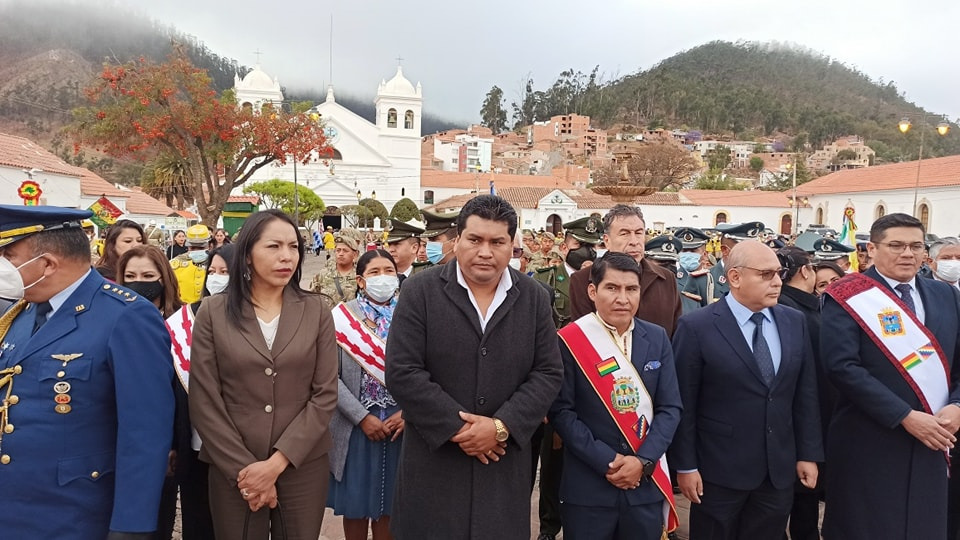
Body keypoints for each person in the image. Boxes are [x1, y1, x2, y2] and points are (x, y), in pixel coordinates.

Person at [385, 195, 563, 539]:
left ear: (513, 245)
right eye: (475, 240)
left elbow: (547, 372)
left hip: (501, 466)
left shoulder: (534, 297)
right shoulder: (420, 292)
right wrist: (461, 429)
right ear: (457, 240)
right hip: (434, 466)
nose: (485, 251)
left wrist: (500, 426)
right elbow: (403, 371)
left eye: (497, 242)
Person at [0, 204, 174, 539]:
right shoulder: (19, 314)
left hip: (75, 515)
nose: (4, 265)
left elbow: (145, 433)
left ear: (47, 263)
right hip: (12, 511)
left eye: (9, 255)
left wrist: (131, 527)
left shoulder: (126, 316)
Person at [189, 209, 338, 539]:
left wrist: (275, 464)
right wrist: (247, 471)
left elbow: (325, 394)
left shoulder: (317, 310)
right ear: (247, 254)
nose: (287, 256)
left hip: (302, 464)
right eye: (273, 246)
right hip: (234, 468)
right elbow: (204, 399)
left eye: (293, 246)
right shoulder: (214, 312)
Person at [820, 213, 960, 540]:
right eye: (896, 245)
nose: (907, 254)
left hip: (936, 438)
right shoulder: (848, 295)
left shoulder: (946, 295)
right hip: (871, 439)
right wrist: (905, 416)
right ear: (872, 248)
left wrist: (957, 404)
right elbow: (842, 367)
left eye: (915, 246)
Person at [671, 241, 823, 540]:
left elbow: (805, 394)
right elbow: (683, 403)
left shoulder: (794, 322)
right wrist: (686, 466)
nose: (777, 282)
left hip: (777, 471)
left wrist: (808, 453)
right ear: (736, 277)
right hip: (718, 472)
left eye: (778, 273)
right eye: (766, 274)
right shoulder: (696, 327)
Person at [550, 252, 682, 540]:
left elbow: (670, 408)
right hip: (589, 487)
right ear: (592, 291)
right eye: (612, 288)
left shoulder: (657, 338)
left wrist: (643, 462)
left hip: (644, 485)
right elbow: (562, 413)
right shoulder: (569, 340)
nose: (623, 298)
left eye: (631, 289)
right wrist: (608, 461)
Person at [531, 215, 602, 540]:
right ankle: (549, 525)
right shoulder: (544, 280)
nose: (585, 250)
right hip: (555, 379)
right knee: (553, 460)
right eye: (579, 243)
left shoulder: (603, 281)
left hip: (595, 378)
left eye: (592, 244)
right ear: (566, 244)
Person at [328, 249, 404, 540]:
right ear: (361, 281)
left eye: (388, 270)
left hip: (400, 424)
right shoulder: (341, 317)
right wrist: (361, 417)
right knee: (356, 504)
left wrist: (409, 412)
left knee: (391, 504)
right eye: (374, 273)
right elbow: (327, 376)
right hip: (355, 425)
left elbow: (428, 369)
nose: (382, 278)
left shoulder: (412, 314)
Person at [775, 246, 833, 540]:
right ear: (806, 271)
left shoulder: (799, 308)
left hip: (798, 421)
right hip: (808, 420)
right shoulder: (798, 313)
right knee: (802, 502)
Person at [569, 205, 682, 337]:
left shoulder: (665, 279)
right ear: (607, 241)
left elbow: (676, 334)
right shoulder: (582, 280)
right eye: (624, 234)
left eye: (639, 233)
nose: (634, 242)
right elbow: (583, 337)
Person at [707, 222, 765, 302]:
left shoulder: (763, 279)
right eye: (744, 249)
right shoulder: (706, 280)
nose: (751, 253)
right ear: (725, 250)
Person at [312, 231, 360, 303]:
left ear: (355, 254)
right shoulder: (323, 275)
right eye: (338, 250)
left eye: (345, 251)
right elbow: (312, 299)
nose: (341, 254)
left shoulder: (360, 276)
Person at [673, 227, 712, 314]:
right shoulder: (672, 280)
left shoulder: (713, 279)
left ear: (705, 254)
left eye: (693, 251)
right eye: (684, 250)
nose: (688, 254)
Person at [170, 224, 211, 304]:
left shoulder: (216, 263)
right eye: (192, 248)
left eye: (201, 248)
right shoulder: (175, 264)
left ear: (209, 245)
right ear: (188, 246)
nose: (196, 251)